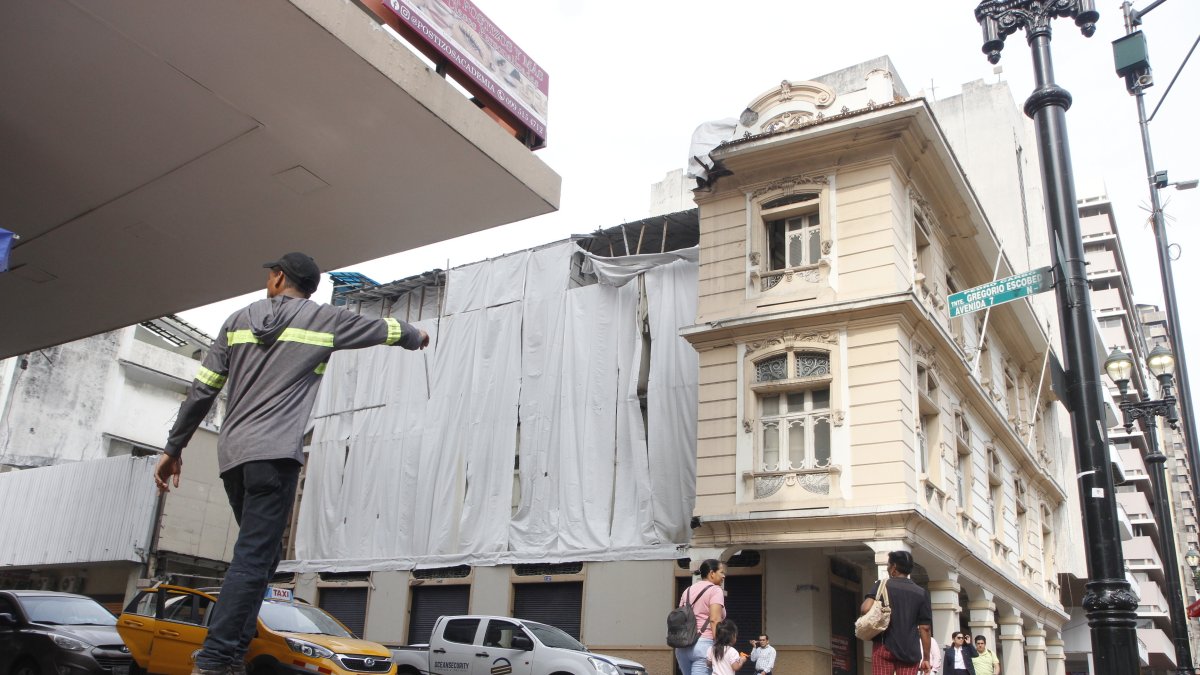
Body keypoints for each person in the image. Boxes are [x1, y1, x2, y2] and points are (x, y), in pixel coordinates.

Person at [154, 253, 429, 675]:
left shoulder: (237, 321)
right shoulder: (324, 320)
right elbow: (384, 329)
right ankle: (216, 658)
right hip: (274, 457)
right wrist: (415, 335)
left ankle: (230, 654)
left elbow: (202, 389)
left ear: (279, 277)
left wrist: (174, 448)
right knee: (253, 558)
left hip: (234, 458)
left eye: (270, 273)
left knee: (261, 559)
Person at [860, 550, 933, 675]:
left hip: (884, 646)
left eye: (888, 565)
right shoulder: (921, 593)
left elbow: (865, 609)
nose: (888, 568)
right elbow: (925, 628)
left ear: (894, 567)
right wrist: (926, 658)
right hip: (910, 650)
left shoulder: (882, 585)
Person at [676, 559, 728, 675]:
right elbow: (714, 620)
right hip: (704, 646)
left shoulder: (687, 590)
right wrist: (719, 646)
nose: (723, 576)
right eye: (721, 572)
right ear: (712, 573)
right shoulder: (715, 590)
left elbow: (680, 617)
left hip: (683, 646)